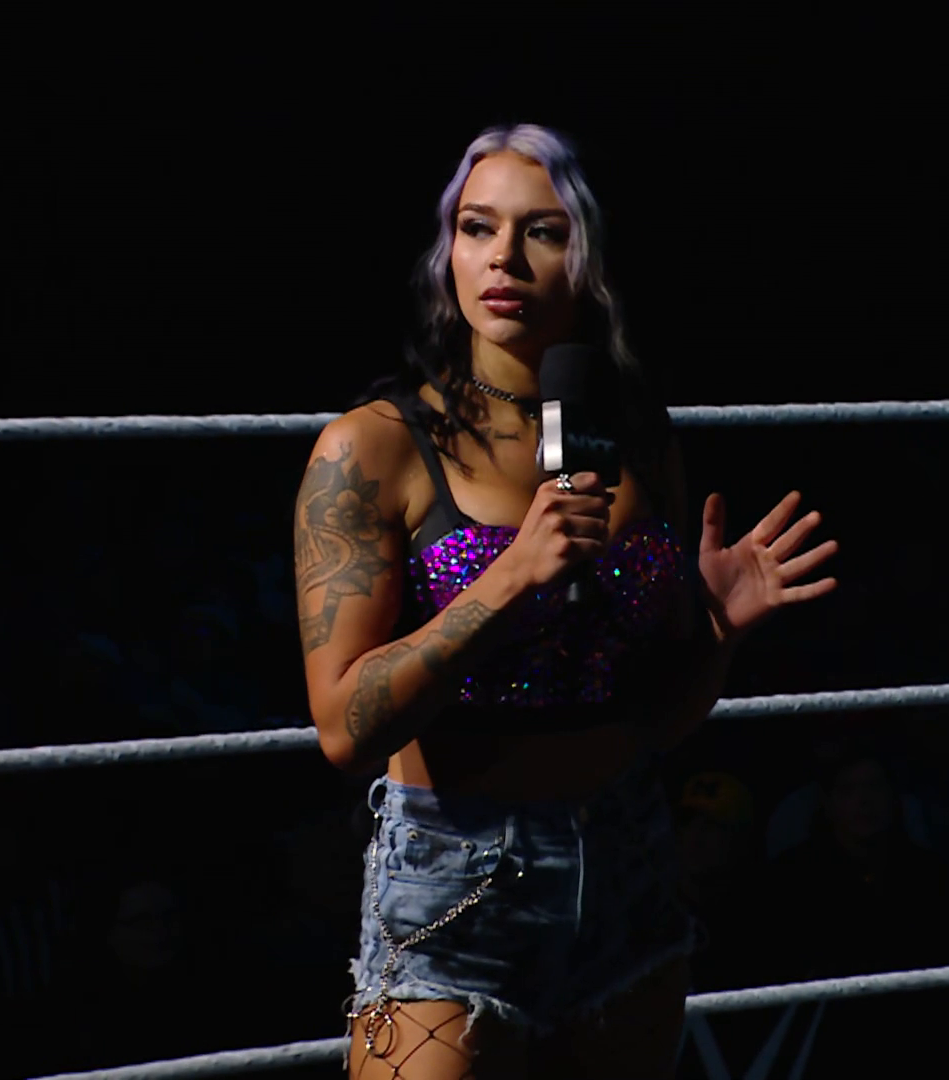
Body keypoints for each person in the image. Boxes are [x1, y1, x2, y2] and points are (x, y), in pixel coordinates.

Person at [292, 123, 838, 1080]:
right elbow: (344, 728)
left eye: (541, 231)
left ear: (587, 259)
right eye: (477, 228)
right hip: (457, 878)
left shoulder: (640, 440)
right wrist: (510, 578)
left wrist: (717, 633)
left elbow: (657, 722)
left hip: (627, 859)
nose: (503, 257)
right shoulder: (372, 447)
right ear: (448, 252)